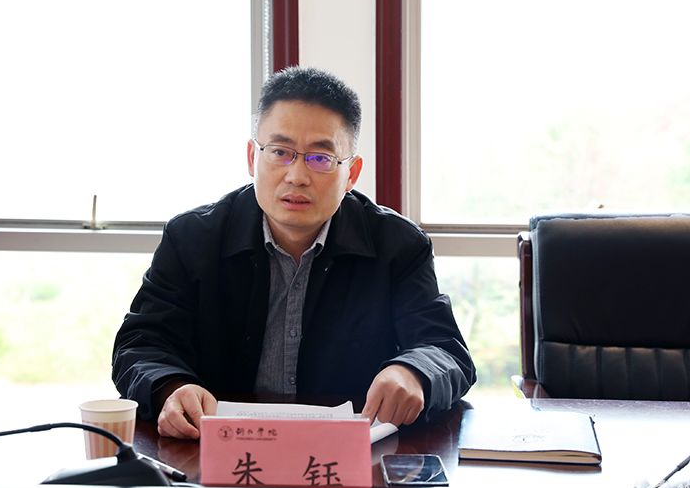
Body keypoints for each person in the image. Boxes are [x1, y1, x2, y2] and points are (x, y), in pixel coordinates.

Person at [112, 67, 475, 440]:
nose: (297, 176)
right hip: (218, 450)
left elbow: (445, 350)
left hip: (346, 455)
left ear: (351, 174)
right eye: (280, 152)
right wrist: (171, 386)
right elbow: (141, 344)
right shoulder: (192, 239)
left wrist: (413, 372)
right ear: (252, 157)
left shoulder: (398, 245)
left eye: (320, 158)